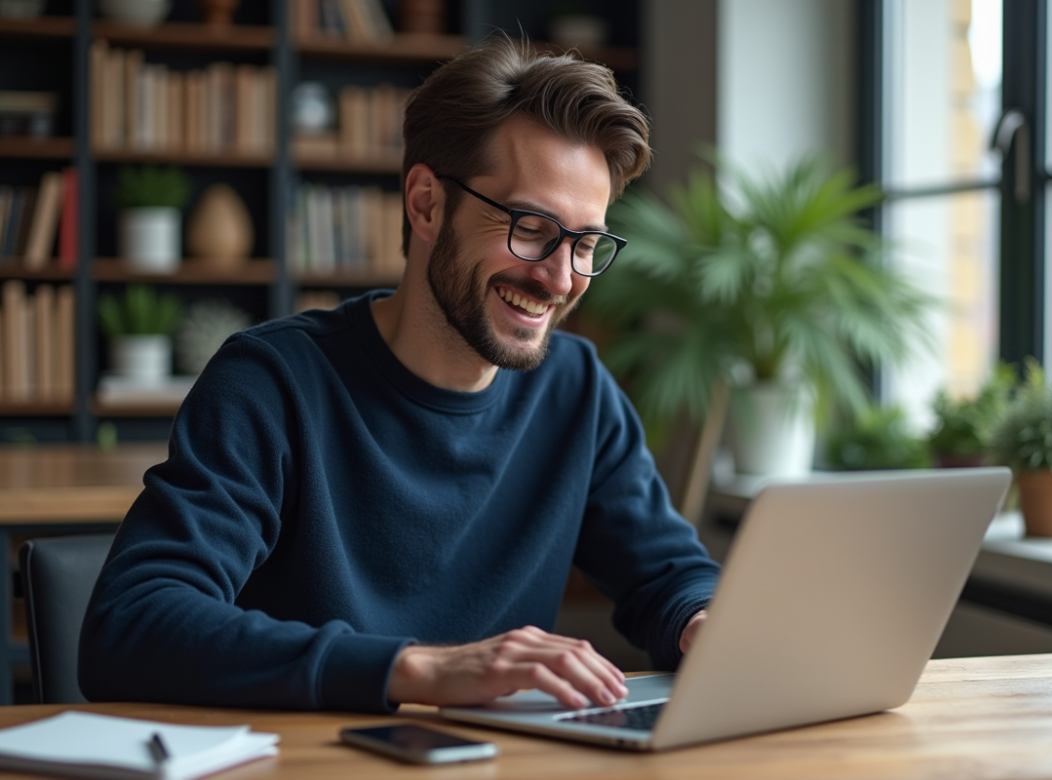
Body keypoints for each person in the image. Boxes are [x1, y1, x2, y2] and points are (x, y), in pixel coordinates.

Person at [79, 37, 720, 714]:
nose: (560, 279)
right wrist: (416, 669)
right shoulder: (272, 382)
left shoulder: (577, 390)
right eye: (532, 228)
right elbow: (131, 625)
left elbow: (667, 573)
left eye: (586, 244)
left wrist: (703, 622)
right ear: (425, 204)